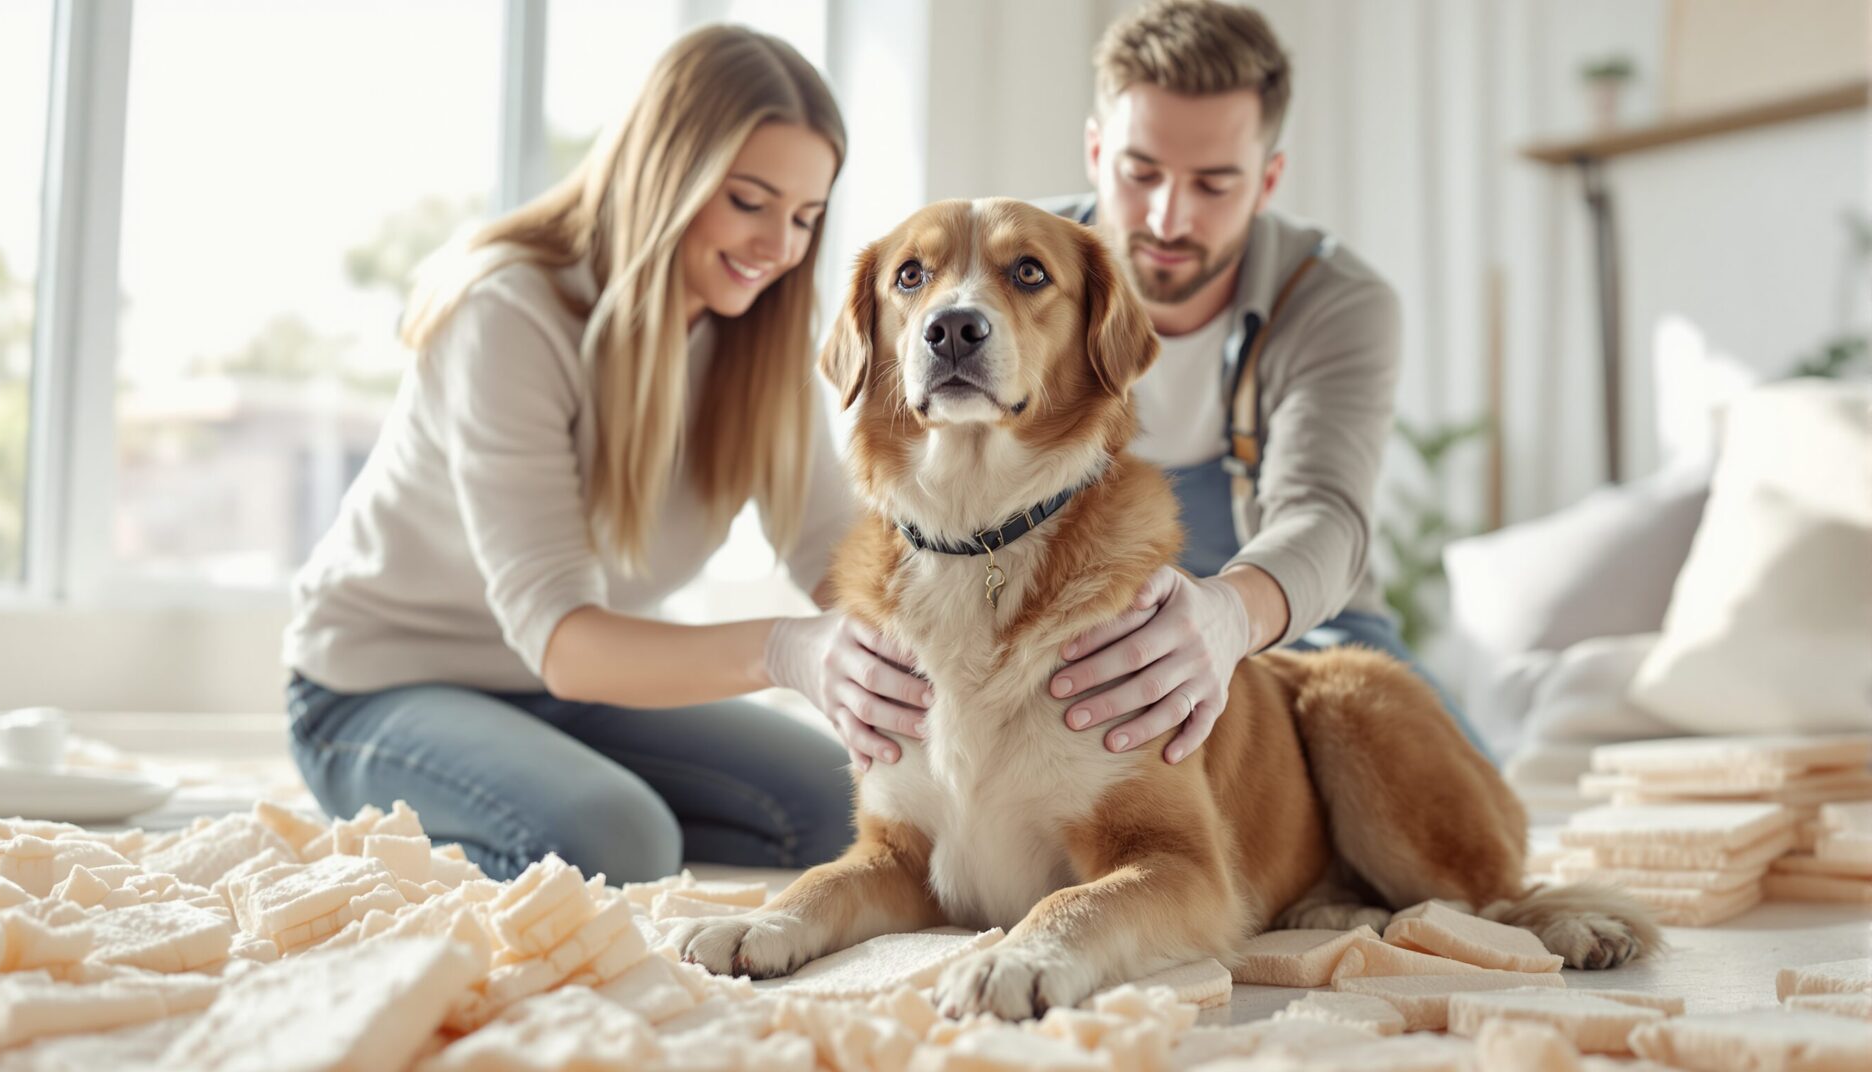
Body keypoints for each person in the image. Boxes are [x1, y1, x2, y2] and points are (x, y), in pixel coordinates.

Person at [282, 25, 934, 884]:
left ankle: (551, 793)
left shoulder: (761, 329)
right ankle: (494, 809)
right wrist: (787, 652)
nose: (780, 247)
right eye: (749, 202)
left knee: (842, 801)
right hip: (380, 685)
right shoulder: (509, 311)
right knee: (615, 840)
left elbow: (832, 551)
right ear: (666, 174)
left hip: (579, 695)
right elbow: (562, 639)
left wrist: (956, 644)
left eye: (806, 218)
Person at [1038, 0, 1490, 763]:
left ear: (1267, 180)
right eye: (1140, 173)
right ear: (1094, 150)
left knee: (1469, 794)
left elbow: (1325, 515)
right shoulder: (1015, 269)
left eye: (1214, 184)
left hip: (1296, 626)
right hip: (1070, 628)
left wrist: (1224, 617)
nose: (1168, 219)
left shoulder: (1336, 299)